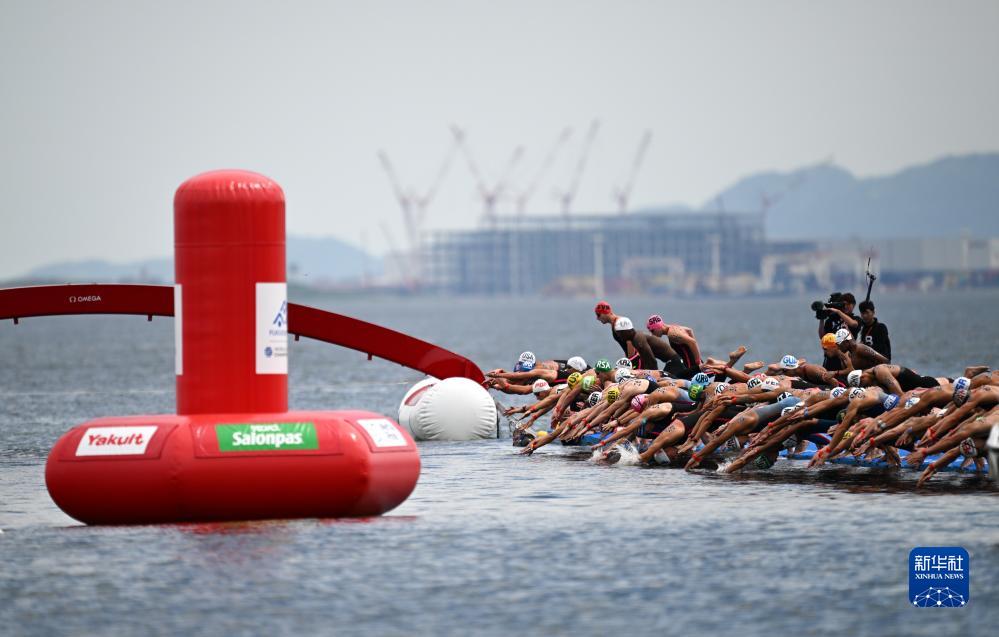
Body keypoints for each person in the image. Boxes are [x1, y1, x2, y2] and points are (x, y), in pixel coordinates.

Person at [818, 292, 859, 369]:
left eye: (847, 304)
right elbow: (822, 337)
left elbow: (853, 324)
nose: (845, 307)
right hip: (830, 360)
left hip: (845, 360)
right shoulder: (830, 321)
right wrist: (821, 319)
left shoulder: (854, 319)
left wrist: (838, 312)